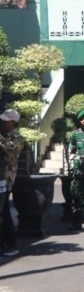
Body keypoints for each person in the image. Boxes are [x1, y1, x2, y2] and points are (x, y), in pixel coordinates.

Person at [0, 109, 25, 256]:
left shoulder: (17, 137)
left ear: (13, 123)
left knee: (3, 212)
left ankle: (10, 244)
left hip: (6, 179)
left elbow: (9, 149)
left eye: (5, 121)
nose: (2, 122)